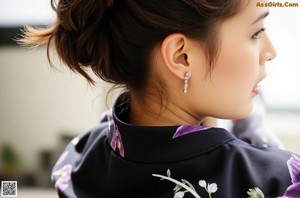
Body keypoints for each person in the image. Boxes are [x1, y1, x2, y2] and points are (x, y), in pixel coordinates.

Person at [19, 0, 300, 197]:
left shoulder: (77, 160)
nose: (270, 51)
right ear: (182, 56)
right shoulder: (278, 181)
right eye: (255, 32)